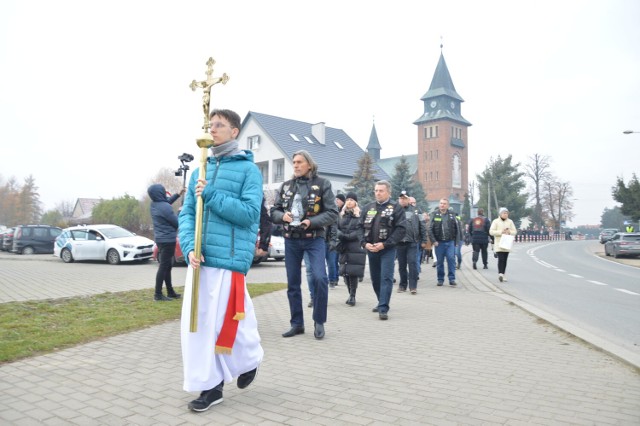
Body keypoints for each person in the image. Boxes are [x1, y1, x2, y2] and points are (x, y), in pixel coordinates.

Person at [178, 109, 263, 412]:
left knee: (234, 321)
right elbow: (187, 213)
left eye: (219, 125)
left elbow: (250, 214)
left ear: (235, 131)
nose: (212, 129)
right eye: (210, 125)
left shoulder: (248, 171)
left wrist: (211, 194)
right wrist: (189, 245)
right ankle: (210, 387)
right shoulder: (202, 168)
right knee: (199, 327)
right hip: (201, 260)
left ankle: (249, 360)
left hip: (228, 258)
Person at [271, 150, 338, 340]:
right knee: (293, 283)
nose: (296, 165)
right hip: (291, 239)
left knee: (320, 278)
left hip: (314, 238)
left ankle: (319, 321)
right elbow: (274, 211)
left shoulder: (322, 184)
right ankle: (297, 324)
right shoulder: (286, 186)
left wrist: (312, 221)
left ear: (309, 164)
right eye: (294, 162)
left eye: (300, 162)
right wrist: (282, 216)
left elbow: (333, 212)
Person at [361, 180, 406, 320]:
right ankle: (381, 300)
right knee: (375, 279)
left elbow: (401, 229)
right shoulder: (368, 207)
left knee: (386, 277)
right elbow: (358, 227)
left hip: (387, 249)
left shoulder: (396, 208)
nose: (378, 193)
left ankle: (383, 307)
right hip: (371, 248)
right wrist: (364, 244)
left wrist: (386, 244)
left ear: (388, 192)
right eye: (376, 190)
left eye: (381, 190)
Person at [148, 184, 185, 301]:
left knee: (167, 266)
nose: (165, 193)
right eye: (163, 191)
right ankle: (158, 294)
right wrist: (180, 212)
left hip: (160, 240)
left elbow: (167, 202)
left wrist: (178, 194)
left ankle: (170, 292)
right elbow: (177, 223)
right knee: (164, 267)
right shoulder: (165, 207)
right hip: (168, 240)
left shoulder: (154, 204)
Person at [336, 192, 366, 306]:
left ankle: (353, 295)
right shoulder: (341, 214)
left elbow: (361, 230)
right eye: (348, 199)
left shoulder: (360, 215)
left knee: (353, 272)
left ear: (355, 202)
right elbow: (336, 227)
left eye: (352, 200)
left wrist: (349, 236)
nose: (349, 201)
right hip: (343, 246)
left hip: (355, 246)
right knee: (345, 272)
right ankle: (349, 293)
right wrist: (341, 235)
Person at [396, 191, 427, 294]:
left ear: (408, 200)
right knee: (402, 265)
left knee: (412, 263)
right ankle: (402, 285)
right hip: (399, 242)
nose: (402, 200)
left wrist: (424, 240)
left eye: (404, 198)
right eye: (401, 198)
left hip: (412, 242)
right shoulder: (395, 210)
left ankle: (413, 286)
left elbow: (422, 225)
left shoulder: (417, 211)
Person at [428, 198, 459, 286]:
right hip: (439, 243)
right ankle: (440, 279)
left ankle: (452, 279)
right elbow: (430, 229)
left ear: (447, 205)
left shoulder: (452, 214)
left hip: (450, 242)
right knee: (440, 262)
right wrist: (434, 241)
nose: (442, 205)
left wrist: (456, 241)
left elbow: (457, 228)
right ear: (439, 204)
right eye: (441, 203)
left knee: (451, 260)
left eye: (444, 203)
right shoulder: (434, 214)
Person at [490, 207, 517, 282]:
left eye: (507, 213)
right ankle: (500, 274)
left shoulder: (510, 222)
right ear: (500, 214)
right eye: (504, 213)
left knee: (505, 259)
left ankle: (503, 273)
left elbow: (514, 231)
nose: (506, 214)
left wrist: (509, 232)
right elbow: (491, 231)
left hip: (507, 243)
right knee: (500, 259)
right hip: (499, 243)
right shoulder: (496, 221)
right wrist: (500, 232)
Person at [326, 196, 342, 288]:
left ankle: (332, 280)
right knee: (331, 262)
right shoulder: (333, 211)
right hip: (327, 240)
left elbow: (334, 228)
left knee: (332, 262)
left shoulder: (332, 212)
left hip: (330, 240)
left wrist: (333, 240)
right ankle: (332, 280)